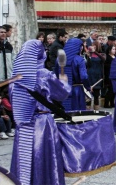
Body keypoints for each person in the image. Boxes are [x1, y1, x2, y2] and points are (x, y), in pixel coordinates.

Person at [10, 39, 71, 185]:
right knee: (45, 158)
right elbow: (61, 94)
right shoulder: (44, 74)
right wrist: (63, 81)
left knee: (24, 159)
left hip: (24, 123)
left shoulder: (16, 78)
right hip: (43, 123)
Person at [60, 38, 91, 111]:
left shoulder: (59, 59)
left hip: (63, 90)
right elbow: (84, 77)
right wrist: (88, 87)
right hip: (76, 89)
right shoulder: (79, 59)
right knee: (78, 114)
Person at [87, 41, 105, 110]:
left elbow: (103, 60)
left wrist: (95, 52)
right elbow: (88, 65)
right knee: (89, 93)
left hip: (98, 75)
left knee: (96, 94)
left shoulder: (102, 54)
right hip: (90, 75)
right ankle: (88, 109)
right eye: (92, 45)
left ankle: (96, 109)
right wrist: (88, 56)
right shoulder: (90, 55)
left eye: (94, 45)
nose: (93, 46)